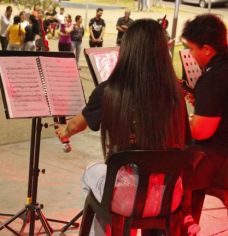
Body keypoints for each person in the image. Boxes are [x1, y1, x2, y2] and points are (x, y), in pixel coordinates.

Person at [56, 19, 190, 235]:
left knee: (92, 173)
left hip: (126, 199)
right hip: (169, 197)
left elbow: (76, 124)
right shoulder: (175, 96)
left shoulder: (110, 91)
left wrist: (65, 131)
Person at [180, 14, 228, 223]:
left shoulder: (215, 76)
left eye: (191, 48)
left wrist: (185, 121)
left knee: (172, 165)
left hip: (220, 157)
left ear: (207, 49)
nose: (189, 54)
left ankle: (183, 223)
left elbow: (201, 131)